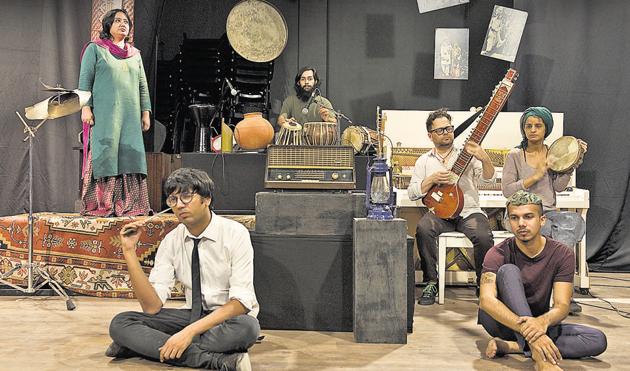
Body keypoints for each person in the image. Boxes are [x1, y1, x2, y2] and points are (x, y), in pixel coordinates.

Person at [106, 168, 260, 371]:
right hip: (190, 315)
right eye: (173, 199)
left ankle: (146, 347)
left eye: (186, 196)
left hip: (226, 318)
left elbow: (240, 304)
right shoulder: (171, 240)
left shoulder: (235, 234)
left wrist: (187, 333)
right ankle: (215, 362)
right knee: (121, 323)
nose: (179, 205)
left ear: (206, 199)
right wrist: (129, 251)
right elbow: (151, 307)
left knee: (248, 328)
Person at [478, 190, 606, 371]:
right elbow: (486, 301)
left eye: (528, 216)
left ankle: (513, 346)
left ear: (542, 220)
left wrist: (542, 323)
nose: (521, 223)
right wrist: (533, 334)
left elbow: (562, 305)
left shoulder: (562, 254)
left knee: (597, 340)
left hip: (537, 321)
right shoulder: (498, 252)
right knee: (508, 271)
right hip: (502, 322)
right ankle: (541, 359)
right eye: (514, 218)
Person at [501, 106, 588, 314]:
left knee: (573, 223)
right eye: (528, 126)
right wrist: (536, 175)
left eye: (538, 126)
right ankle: (556, 294)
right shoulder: (515, 155)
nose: (532, 130)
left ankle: (561, 294)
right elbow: (507, 190)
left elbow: (558, 187)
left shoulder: (553, 154)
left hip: (547, 213)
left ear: (546, 129)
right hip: (520, 213)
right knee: (552, 232)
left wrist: (572, 161)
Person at [408, 108, 496, 305]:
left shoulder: (468, 154)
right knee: (423, 229)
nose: (446, 133)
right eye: (440, 130)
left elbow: (489, 181)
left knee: (483, 236)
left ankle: (484, 286)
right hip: (440, 213)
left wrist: (485, 158)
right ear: (430, 135)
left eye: (448, 128)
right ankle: (431, 281)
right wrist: (430, 179)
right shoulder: (424, 161)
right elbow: (413, 192)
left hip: (469, 211)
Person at [78, 8, 152, 217]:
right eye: (118, 21)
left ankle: (131, 204)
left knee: (131, 156)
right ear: (108, 26)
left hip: (130, 116)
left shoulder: (134, 54)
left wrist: (145, 112)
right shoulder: (95, 49)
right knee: (106, 154)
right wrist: (86, 107)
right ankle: (104, 204)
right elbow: (85, 81)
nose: (123, 24)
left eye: (126, 21)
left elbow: (142, 85)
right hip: (104, 114)